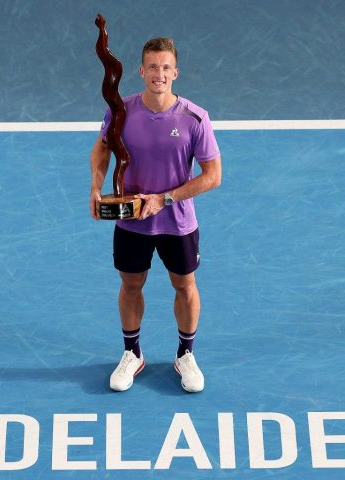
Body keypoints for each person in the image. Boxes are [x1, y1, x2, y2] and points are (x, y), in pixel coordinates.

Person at [89, 37, 222, 393]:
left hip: (177, 222)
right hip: (131, 220)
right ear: (141, 71)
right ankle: (132, 353)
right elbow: (101, 150)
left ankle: (186, 355)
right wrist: (95, 187)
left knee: (185, 285)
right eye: (152, 67)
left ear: (175, 72)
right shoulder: (122, 112)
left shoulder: (195, 118)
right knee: (131, 284)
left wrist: (165, 199)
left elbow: (213, 176)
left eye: (165, 68)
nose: (158, 74)